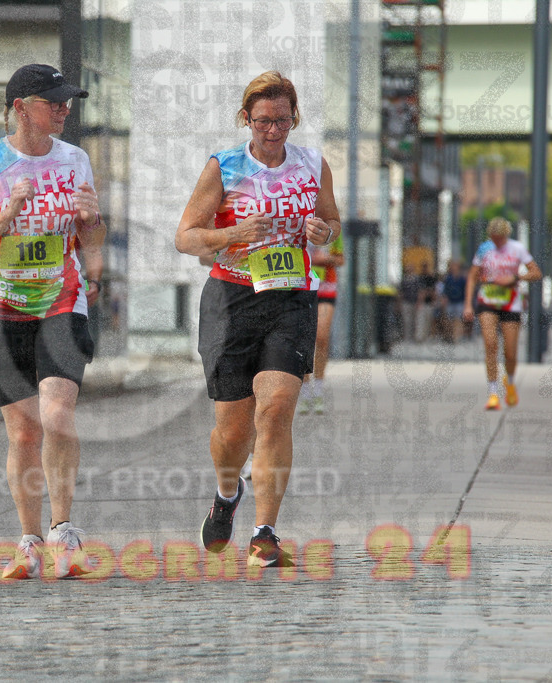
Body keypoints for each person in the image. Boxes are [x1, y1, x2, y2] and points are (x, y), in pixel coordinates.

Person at [175, 70, 341, 568]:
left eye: (284, 120)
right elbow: (185, 236)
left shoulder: (313, 164)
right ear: (246, 118)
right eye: (264, 120)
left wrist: (322, 232)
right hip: (231, 298)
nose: (274, 130)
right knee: (232, 430)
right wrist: (233, 234)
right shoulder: (224, 166)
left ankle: (264, 532)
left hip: (291, 297)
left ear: (295, 119)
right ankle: (228, 493)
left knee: (277, 408)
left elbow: (333, 224)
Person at [0, 64, 104, 580]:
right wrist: (5, 216)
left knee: (57, 415)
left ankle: (64, 531)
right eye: (53, 101)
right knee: (23, 434)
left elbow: (92, 240)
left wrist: (91, 221)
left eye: (67, 101)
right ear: (21, 108)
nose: (64, 109)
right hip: (1, 307)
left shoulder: (75, 159)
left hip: (61, 300)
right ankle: (28, 541)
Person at [463, 217, 542, 410]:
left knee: (510, 352)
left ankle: (511, 383)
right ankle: (493, 393)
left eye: (500, 238)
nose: (497, 242)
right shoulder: (484, 249)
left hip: (510, 303)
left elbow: (536, 273)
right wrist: (468, 305)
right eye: (494, 238)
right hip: (487, 301)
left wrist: (515, 277)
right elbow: (472, 277)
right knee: (490, 345)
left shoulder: (517, 249)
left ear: (507, 235)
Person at [299, 233, 344, 414]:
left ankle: (318, 390)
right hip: (301, 284)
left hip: (326, 286)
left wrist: (326, 258)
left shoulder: (331, 229)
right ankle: (304, 393)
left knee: (322, 337)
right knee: (304, 340)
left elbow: (340, 260)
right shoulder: (297, 221)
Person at [438, 259, 468, 343]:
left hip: (459, 302)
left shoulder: (462, 279)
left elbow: (466, 290)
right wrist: (444, 298)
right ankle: (449, 336)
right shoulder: (448, 278)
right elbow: (445, 290)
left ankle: (456, 337)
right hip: (450, 302)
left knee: (458, 319)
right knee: (448, 320)